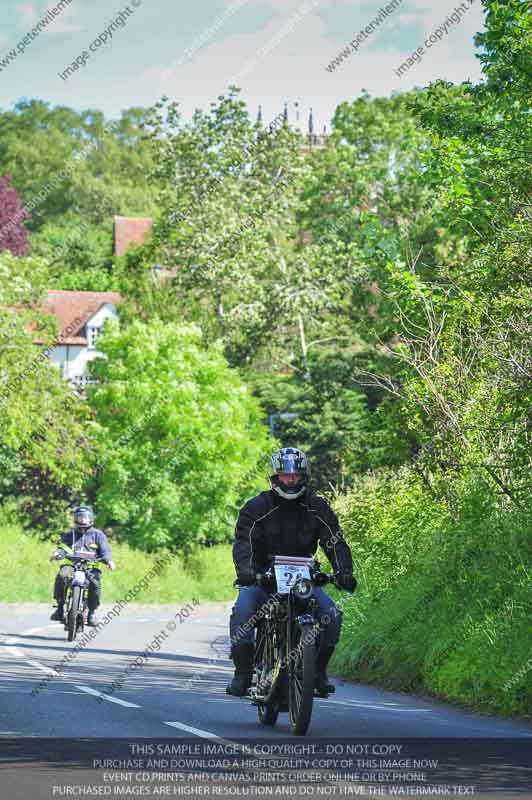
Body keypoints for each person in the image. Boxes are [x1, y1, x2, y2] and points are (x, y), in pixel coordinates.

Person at [227, 447, 356, 697]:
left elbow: (335, 541)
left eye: (296, 475)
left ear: (304, 477)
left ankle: (316, 672)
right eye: (286, 476)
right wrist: (247, 572)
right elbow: (244, 542)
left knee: (332, 614)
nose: (291, 480)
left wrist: (343, 571)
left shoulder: (317, 507)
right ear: (276, 477)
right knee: (242, 611)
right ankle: (242, 674)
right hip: (263, 579)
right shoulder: (256, 506)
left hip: (303, 580)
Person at [50, 505, 115, 626]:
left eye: (85, 517)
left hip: (91, 567)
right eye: (80, 517)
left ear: (90, 518)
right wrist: (57, 553)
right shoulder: (70, 534)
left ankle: (91, 613)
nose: (82, 520)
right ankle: (59, 608)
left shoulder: (98, 535)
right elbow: (63, 547)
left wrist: (109, 560)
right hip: (72, 565)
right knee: (62, 576)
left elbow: (105, 550)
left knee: (95, 583)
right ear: (76, 518)